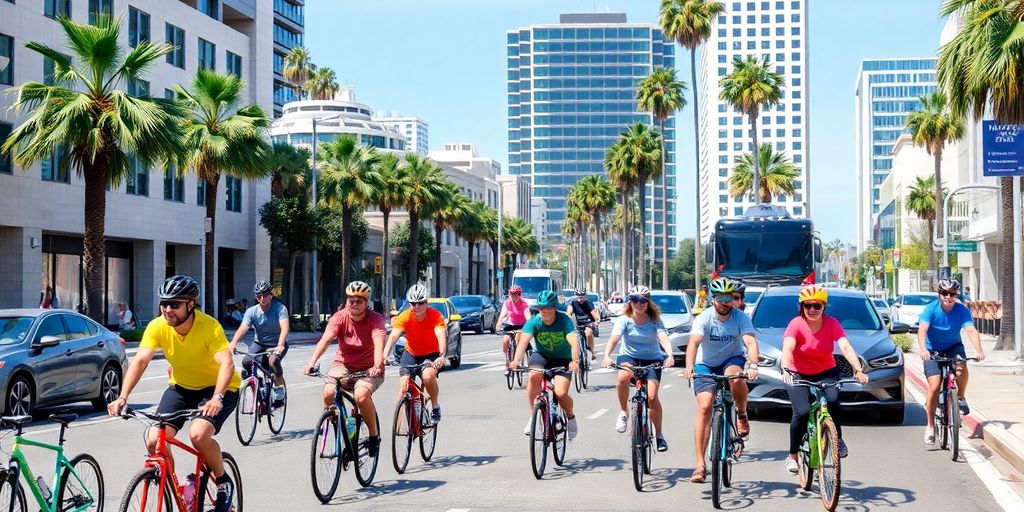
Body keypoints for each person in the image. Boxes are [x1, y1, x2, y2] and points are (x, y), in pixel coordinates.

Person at [108, 275, 239, 512]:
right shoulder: (158, 326)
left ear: (191, 305)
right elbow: (140, 361)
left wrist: (216, 398)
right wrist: (122, 396)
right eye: (164, 303)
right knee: (153, 439)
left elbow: (226, 364)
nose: (167, 309)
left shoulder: (209, 326)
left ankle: (222, 481)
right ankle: (177, 490)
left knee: (198, 435)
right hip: (182, 387)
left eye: (175, 304)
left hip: (219, 388)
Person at [779, 285, 868, 474]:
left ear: (824, 307)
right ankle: (793, 455)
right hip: (798, 372)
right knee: (802, 412)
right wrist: (786, 368)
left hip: (826, 370)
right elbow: (788, 347)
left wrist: (858, 369)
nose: (812, 310)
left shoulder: (832, 323)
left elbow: (844, 347)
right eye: (808, 306)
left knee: (834, 401)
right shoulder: (796, 324)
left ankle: (838, 439)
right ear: (801, 307)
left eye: (817, 306)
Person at [682, 278, 760, 483]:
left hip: (731, 360)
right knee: (705, 406)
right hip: (706, 364)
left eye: (728, 298)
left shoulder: (740, 317)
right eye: (720, 298)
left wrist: (752, 365)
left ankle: (742, 414)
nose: (725, 302)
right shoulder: (704, 318)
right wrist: (689, 366)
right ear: (712, 299)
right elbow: (694, 344)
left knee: (735, 377)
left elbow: (750, 342)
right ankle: (700, 465)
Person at [303, 281, 386, 456]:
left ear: (367, 302)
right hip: (344, 365)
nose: (354, 304)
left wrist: (377, 365)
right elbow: (325, 340)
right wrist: (311, 362)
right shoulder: (340, 317)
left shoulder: (375, 319)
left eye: (359, 301)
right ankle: (336, 421)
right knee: (328, 393)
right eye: (351, 300)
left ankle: (373, 436)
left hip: (369, 368)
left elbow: (379, 345)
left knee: (361, 397)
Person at [601, 285, 673, 451]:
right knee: (623, 377)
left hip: (652, 358)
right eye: (634, 300)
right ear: (629, 302)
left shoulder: (655, 319)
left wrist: (669, 355)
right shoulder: (624, 319)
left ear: (648, 302)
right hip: (629, 357)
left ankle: (659, 435)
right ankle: (623, 412)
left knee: (652, 397)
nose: (638, 304)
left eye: (642, 301)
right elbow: (614, 339)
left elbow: (663, 337)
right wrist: (606, 356)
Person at [918, 278, 985, 445]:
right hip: (932, 350)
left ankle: (960, 397)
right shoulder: (930, 310)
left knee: (961, 366)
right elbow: (922, 331)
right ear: (939, 294)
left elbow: (970, 330)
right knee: (934, 385)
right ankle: (930, 426)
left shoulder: (961, 310)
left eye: (952, 294)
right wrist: (924, 350)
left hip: (953, 346)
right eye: (944, 293)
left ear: (956, 295)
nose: (948, 297)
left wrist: (979, 350)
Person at [510, 290, 580, 439]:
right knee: (534, 375)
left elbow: (574, 342)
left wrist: (575, 360)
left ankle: (570, 416)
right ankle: (533, 417)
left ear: (555, 307)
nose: (545, 311)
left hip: (563, 358)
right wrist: (515, 360)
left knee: (561, 393)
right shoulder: (534, 321)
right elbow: (523, 342)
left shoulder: (564, 320)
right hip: (542, 356)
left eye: (549, 307)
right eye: (542, 308)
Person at [383, 284, 447, 423]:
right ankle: (399, 426)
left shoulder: (435, 316)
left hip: (431, 354)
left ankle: (435, 406)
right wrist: (384, 356)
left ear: (427, 302)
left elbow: (440, 335)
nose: (417, 307)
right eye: (413, 303)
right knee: (404, 385)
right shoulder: (405, 316)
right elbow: (393, 336)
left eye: (421, 303)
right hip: (411, 352)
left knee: (428, 376)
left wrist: (441, 356)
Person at [228, 281, 290, 403]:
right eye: (259, 295)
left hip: (276, 343)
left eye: (265, 295)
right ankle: (259, 383)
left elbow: (285, 327)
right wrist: (233, 342)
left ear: (271, 295)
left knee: (273, 362)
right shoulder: (252, 311)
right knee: (246, 362)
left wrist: (281, 344)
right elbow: (243, 328)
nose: (262, 298)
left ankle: (279, 388)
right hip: (260, 343)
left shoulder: (280, 308)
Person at [495, 284, 532, 367]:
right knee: (505, 340)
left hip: (522, 325)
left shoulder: (524, 304)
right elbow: (503, 314)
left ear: (519, 295)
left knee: (520, 339)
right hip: (511, 324)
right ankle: (508, 359)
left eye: (515, 295)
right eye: (511, 295)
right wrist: (498, 324)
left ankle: (523, 356)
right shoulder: (507, 303)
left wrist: (530, 326)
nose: (513, 297)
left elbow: (528, 317)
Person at [570, 287, 601, 361]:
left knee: (588, 333)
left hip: (588, 324)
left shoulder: (588, 303)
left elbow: (595, 315)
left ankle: (592, 352)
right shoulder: (573, 303)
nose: (580, 298)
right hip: (579, 325)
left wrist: (597, 321)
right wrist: (567, 314)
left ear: (585, 296)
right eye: (578, 296)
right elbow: (569, 311)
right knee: (573, 337)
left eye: (582, 297)